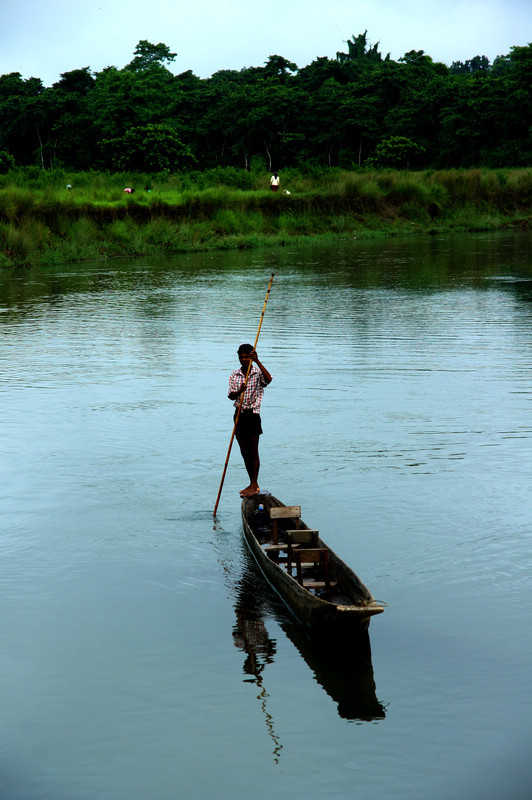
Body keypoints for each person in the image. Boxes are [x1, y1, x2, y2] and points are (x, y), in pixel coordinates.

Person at [228, 344, 272, 497]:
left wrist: (258, 361)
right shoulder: (235, 374)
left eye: (247, 357)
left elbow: (269, 380)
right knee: (244, 452)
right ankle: (252, 482)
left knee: (253, 451)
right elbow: (231, 396)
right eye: (242, 357)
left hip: (252, 415)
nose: (244, 359)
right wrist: (240, 390)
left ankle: (254, 484)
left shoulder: (257, 373)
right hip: (239, 415)